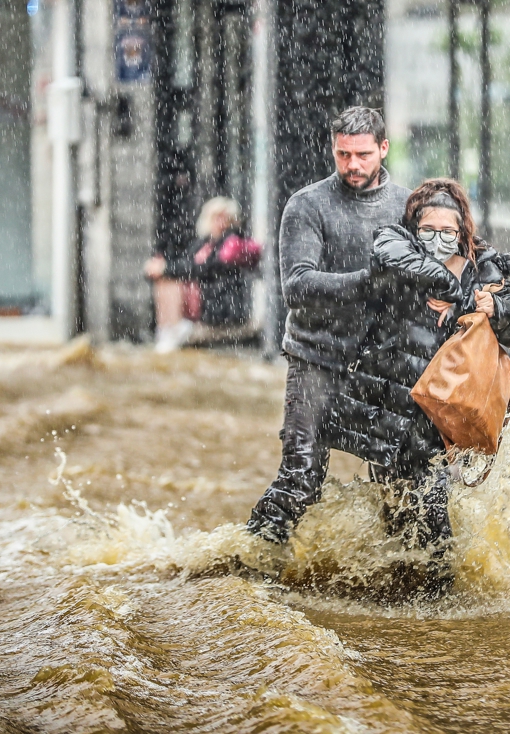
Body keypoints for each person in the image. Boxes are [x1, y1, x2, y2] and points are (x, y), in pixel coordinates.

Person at [335, 178, 510, 559]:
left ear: (462, 231)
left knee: (434, 517)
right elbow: (389, 253)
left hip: (446, 416)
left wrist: (493, 308)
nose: (439, 238)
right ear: (415, 227)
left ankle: (441, 610)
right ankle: (405, 602)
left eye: (448, 231)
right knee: (394, 517)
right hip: (393, 409)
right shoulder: (396, 247)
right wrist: (446, 284)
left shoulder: (483, 265)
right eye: (429, 230)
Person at [246, 106, 411, 545]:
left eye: (362, 155)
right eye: (343, 155)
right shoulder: (308, 205)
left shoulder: (409, 208)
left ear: (383, 149)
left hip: (385, 363)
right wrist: (369, 282)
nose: (353, 165)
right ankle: (247, 571)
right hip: (316, 358)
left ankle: (405, 584)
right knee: (300, 480)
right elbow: (296, 287)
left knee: (402, 486)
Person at [143, 196, 256, 353]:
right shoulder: (204, 242)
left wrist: (166, 268)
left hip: (217, 303)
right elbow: (187, 263)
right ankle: (167, 330)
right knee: (165, 280)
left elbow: (203, 268)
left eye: (224, 218)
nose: (220, 222)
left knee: (171, 278)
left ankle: (174, 329)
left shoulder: (231, 243)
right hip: (203, 297)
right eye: (216, 217)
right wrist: (162, 267)